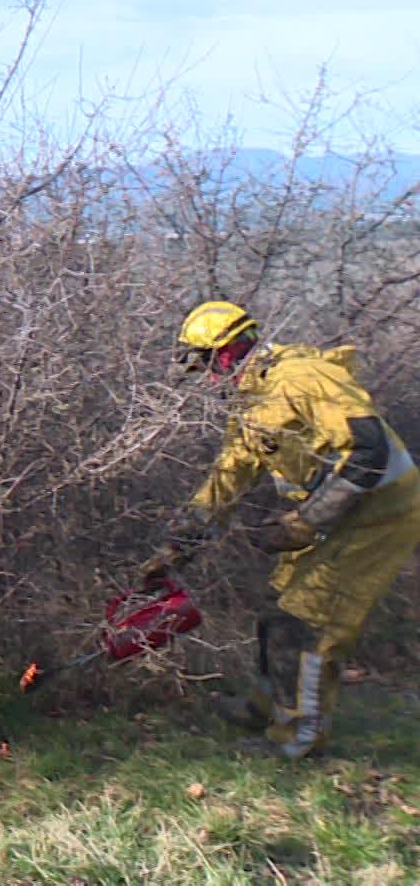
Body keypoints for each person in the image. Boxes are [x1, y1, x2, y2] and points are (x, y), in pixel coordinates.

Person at [141, 301, 420, 759]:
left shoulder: (301, 378)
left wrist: (303, 524)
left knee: (308, 622)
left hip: (380, 515)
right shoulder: (251, 402)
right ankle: (268, 706)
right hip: (334, 516)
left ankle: (299, 741)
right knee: (276, 609)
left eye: (209, 363)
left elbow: (369, 452)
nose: (209, 377)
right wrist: (177, 546)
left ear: (229, 351)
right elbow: (227, 479)